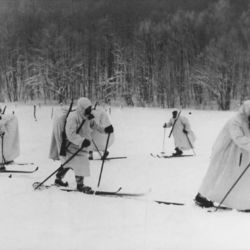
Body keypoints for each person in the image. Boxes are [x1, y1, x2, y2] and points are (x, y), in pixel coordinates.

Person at [49, 97, 114, 193]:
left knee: (68, 163)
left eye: (89, 108)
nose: (89, 110)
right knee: (79, 163)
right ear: (82, 108)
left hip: (82, 145)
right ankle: (80, 185)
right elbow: (70, 134)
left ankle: (58, 179)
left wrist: (105, 130)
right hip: (72, 145)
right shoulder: (73, 117)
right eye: (87, 109)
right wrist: (81, 141)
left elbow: (95, 126)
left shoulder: (88, 117)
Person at [194, 100, 250, 210]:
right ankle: (201, 196)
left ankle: (242, 202)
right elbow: (238, 138)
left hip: (242, 154)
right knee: (219, 176)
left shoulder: (248, 121)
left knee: (239, 178)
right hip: (227, 155)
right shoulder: (235, 121)